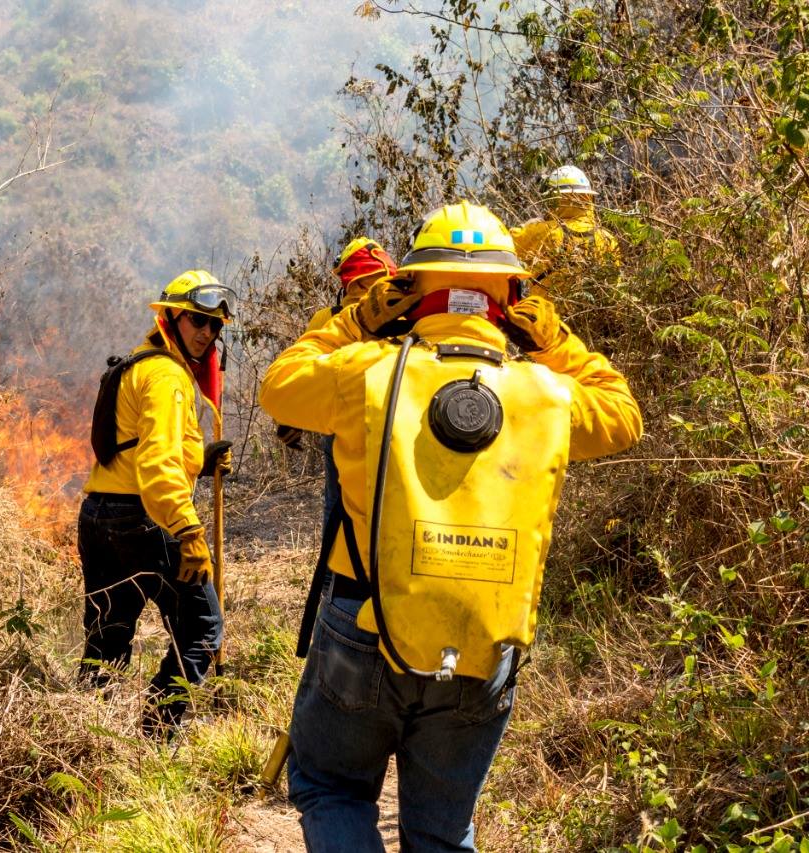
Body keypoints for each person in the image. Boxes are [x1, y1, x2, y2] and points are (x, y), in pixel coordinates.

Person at [260, 201, 642, 851]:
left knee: (332, 789)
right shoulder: (550, 395)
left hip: (363, 623)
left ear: (410, 289)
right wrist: (553, 340)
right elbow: (624, 416)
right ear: (511, 298)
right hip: (482, 640)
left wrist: (355, 318)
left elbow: (280, 387)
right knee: (441, 830)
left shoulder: (366, 372)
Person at [78, 269, 236, 736]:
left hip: (99, 515)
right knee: (202, 629)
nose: (206, 333)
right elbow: (157, 464)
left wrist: (200, 461)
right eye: (196, 320)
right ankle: (156, 733)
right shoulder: (168, 377)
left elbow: (139, 448)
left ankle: (87, 737)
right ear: (169, 317)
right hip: (145, 520)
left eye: (214, 325)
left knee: (108, 636)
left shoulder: (139, 364)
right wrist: (188, 531)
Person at [276, 237, 398, 527]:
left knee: (337, 504)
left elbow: (303, 370)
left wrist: (289, 420)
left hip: (340, 425)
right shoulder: (401, 313)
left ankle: (335, 556)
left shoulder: (328, 319)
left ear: (347, 280)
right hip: (392, 422)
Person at [511, 164, 621, 302]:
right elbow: (615, 286)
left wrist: (527, 226)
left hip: (549, 314)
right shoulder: (607, 239)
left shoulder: (544, 231)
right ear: (589, 198)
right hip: (595, 314)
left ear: (553, 199)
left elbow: (502, 244)